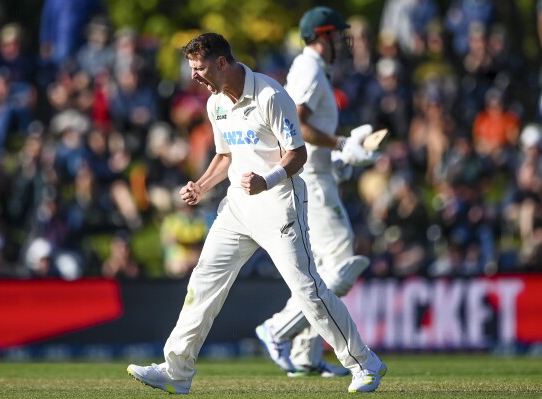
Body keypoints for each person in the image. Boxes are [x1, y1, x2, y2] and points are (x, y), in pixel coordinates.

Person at [126, 32, 386, 394]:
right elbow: (225, 155)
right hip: (237, 207)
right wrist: (201, 185)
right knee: (202, 284)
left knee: (307, 290)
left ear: (221, 62)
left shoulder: (270, 94)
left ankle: (365, 364)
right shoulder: (215, 104)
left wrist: (268, 179)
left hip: (280, 203)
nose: (194, 77)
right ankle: (177, 370)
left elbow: (298, 154)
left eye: (199, 68)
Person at [254, 6, 379, 378]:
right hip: (311, 178)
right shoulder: (308, 67)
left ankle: (305, 354)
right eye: (337, 35)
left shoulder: (315, 69)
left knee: (322, 267)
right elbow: (299, 123)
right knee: (340, 262)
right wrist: (341, 144)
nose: (343, 41)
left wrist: (337, 159)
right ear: (322, 36)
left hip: (318, 173)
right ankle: (277, 328)